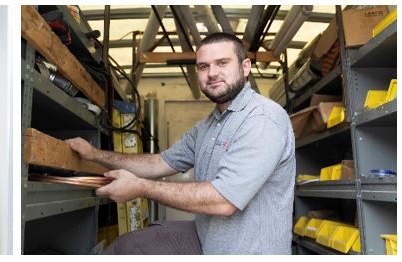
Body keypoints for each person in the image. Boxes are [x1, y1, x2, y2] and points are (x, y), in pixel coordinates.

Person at [66, 32, 294, 254]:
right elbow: (157, 163)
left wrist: (140, 187)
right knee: (126, 247)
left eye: (222, 63)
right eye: (204, 67)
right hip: (209, 242)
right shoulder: (208, 126)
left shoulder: (262, 118)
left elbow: (223, 201)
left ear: (245, 67)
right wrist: (94, 154)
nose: (212, 73)